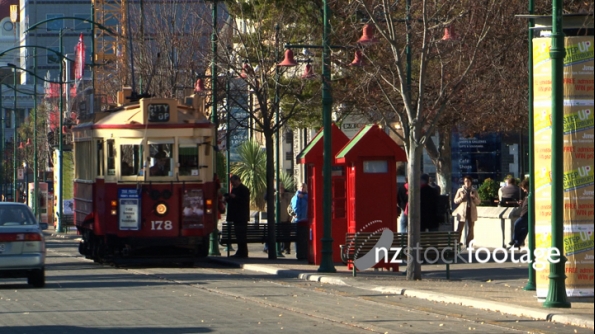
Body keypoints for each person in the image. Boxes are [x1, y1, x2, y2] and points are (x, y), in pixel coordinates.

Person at [263, 183, 293, 254]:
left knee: (286, 234)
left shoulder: (287, 196)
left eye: (282, 188)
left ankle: (286, 248)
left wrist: (290, 217)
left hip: (285, 219)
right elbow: (267, 207)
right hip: (276, 220)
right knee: (273, 233)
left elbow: (290, 206)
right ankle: (270, 247)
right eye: (279, 188)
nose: (281, 189)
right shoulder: (273, 197)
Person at [224, 175, 251, 258]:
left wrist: (235, 197)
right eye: (231, 183)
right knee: (238, 235)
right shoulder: (234, 189)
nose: (233, 184)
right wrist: (228, 198)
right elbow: (232, 201)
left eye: (233, 182)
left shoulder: (244, 189)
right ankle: (240, 251)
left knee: (242, 235)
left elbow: (244, 201)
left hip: (241, 216)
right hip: (235, 216)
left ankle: (243, 252)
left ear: (238, 180)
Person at [453, 175, 481, 248]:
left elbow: (478, 202)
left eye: (468, 181)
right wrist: (461, 198)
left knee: (471, 229)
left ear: (471, 182)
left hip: (471, 211)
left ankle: (469, 244)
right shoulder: (460, 190)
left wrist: (474, 198)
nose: (467, 183)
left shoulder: (474, 191)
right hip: (462, 212)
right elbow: (455, 201)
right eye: (465, 181)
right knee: (459, 228)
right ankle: (457, 243)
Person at [509, 179, 530, 248]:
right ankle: (518, 242)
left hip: (526, 213)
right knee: (525, 229)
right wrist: (522, 203)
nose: (524, 190)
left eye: (524, 188)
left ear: (527, 186)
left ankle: (515, 240)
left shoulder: (530, 194)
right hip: (525, 213)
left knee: (517, 224)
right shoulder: (528, 194)